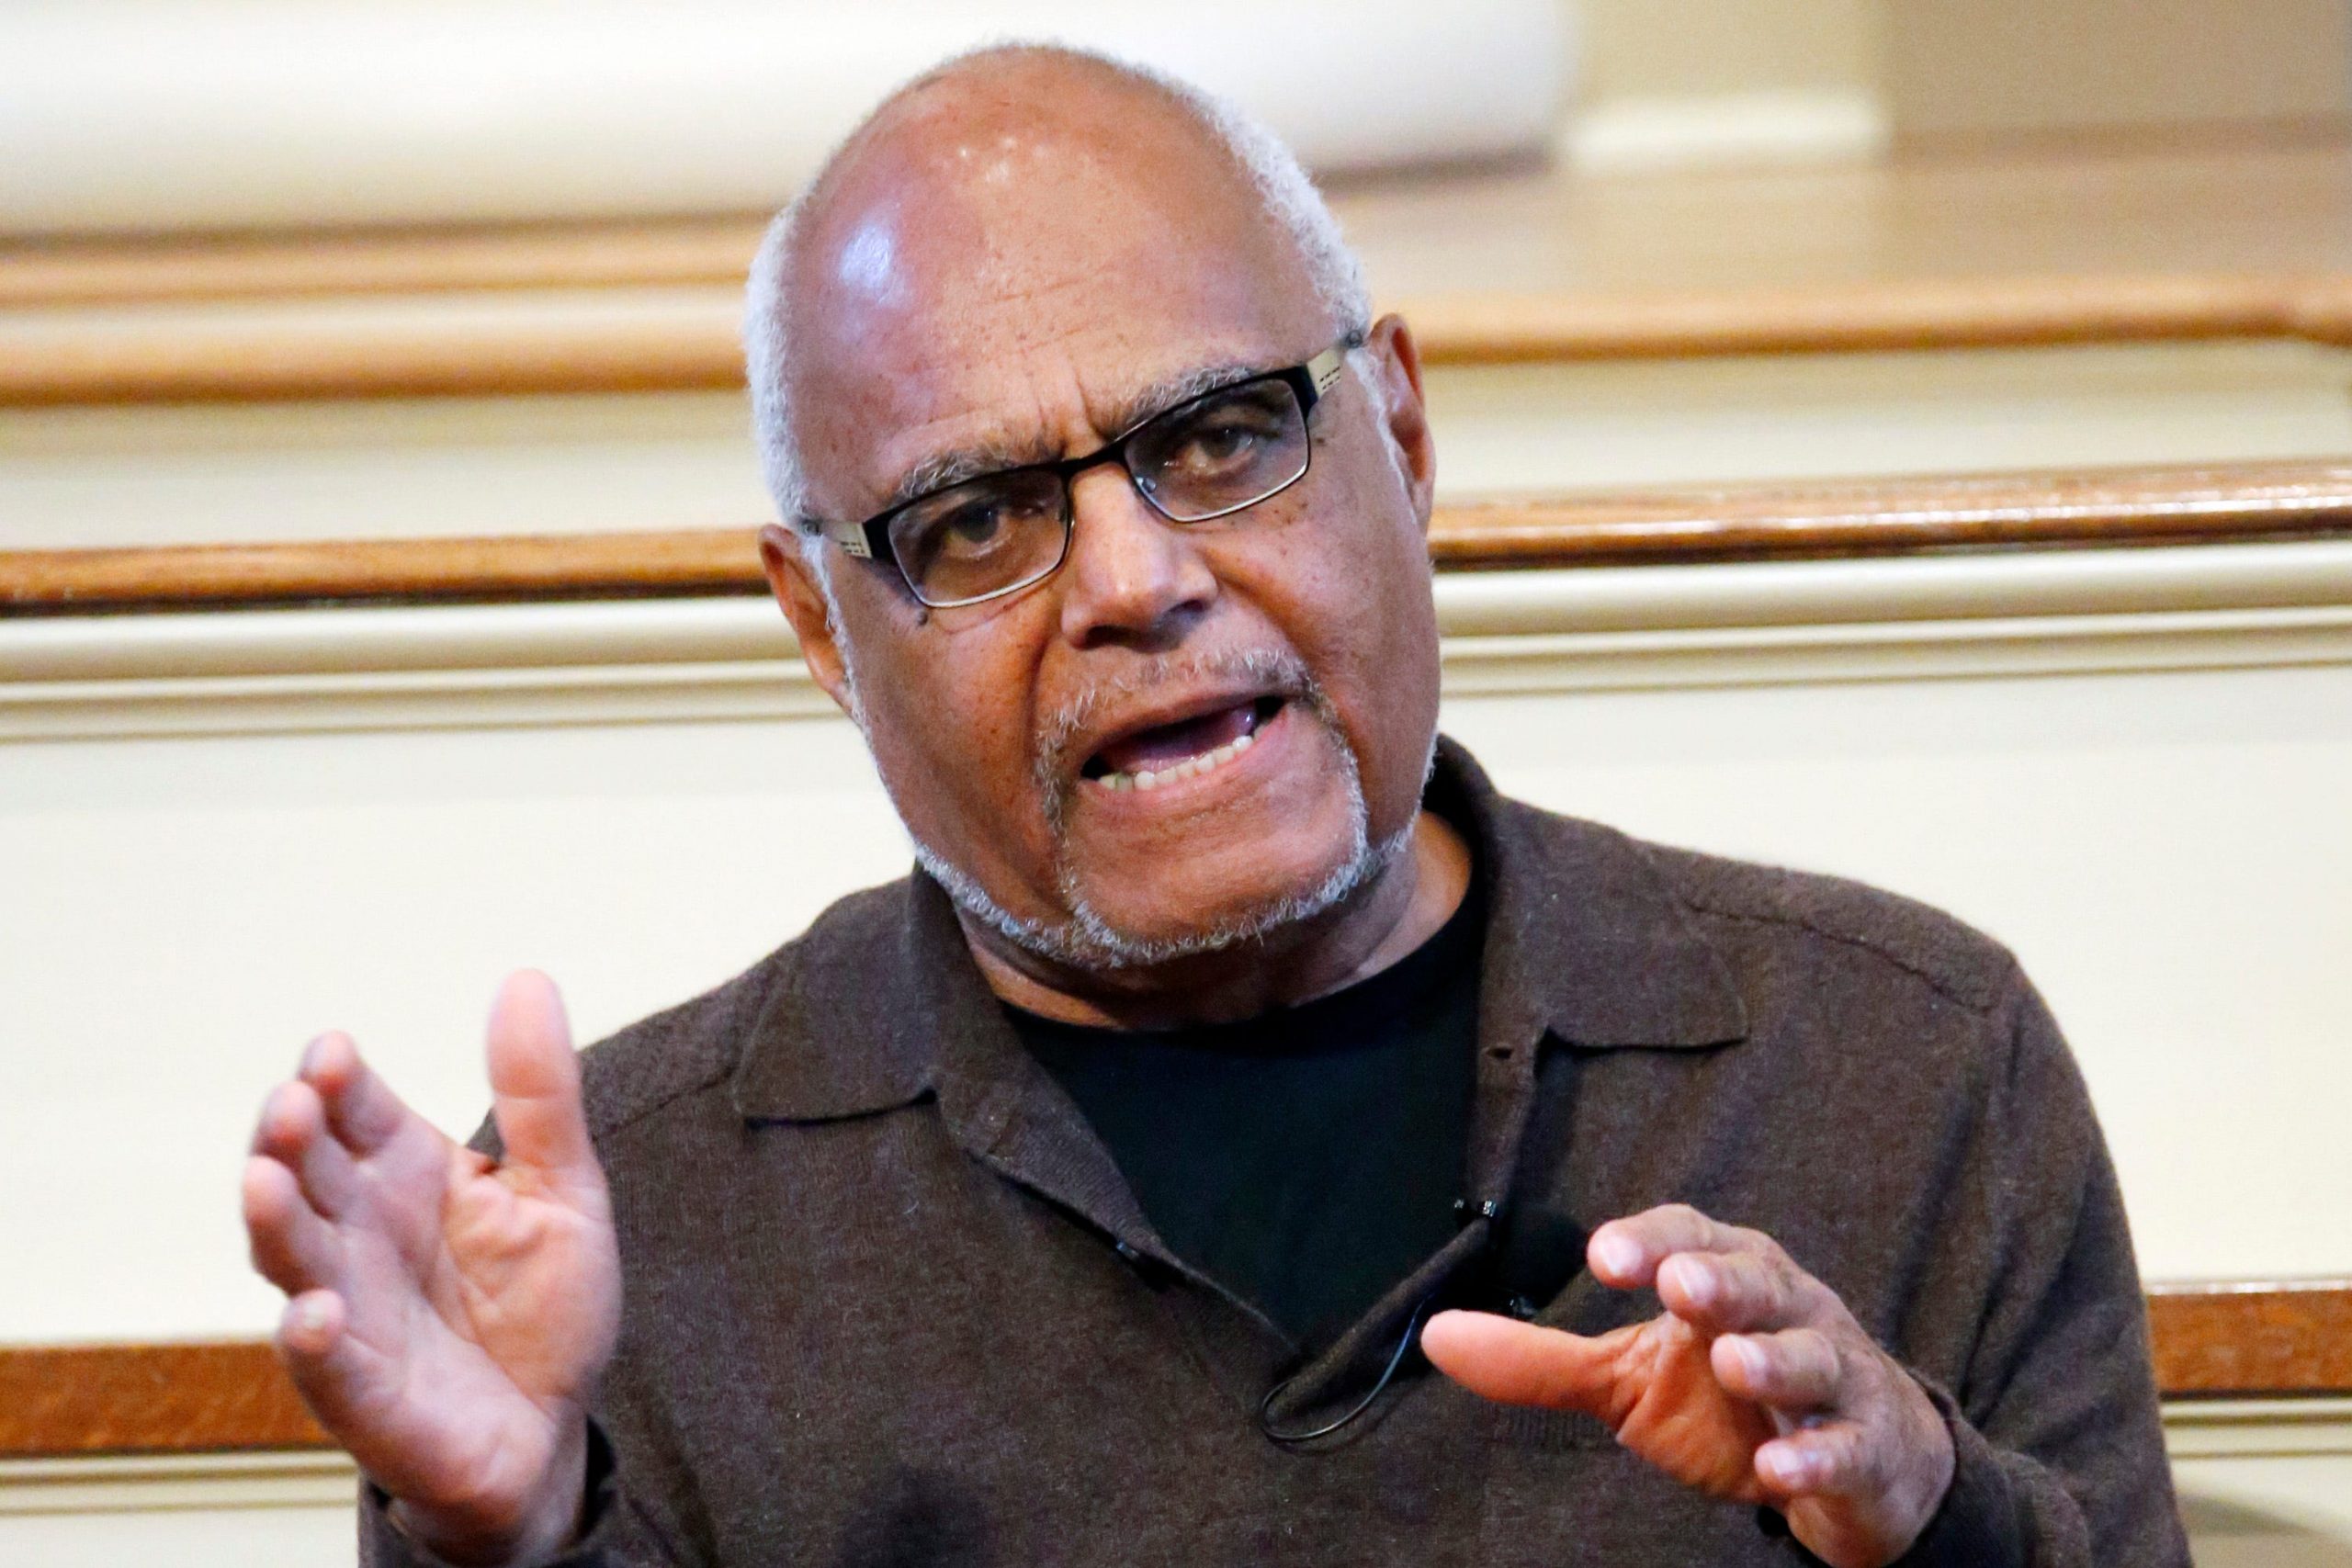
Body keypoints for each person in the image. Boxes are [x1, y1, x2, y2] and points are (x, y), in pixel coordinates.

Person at [240, 44, 2188, 1568]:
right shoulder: (628, 1229)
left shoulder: (1899, 1065)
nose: (1128, 579)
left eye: (1219, 434)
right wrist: (511, 1535)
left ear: (1402, 440)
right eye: (977, 518)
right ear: (825, 626)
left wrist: (1928, 1515)